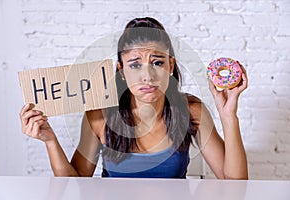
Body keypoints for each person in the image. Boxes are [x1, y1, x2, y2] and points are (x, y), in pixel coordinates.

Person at [20, 17, 248, 179]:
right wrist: (50, 140)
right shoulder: (98, 116)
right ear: (121, 70)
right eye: (135, 64)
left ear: (170, 65)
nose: (147, 76)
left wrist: (228, 115)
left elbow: (235, 183)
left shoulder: (192, 110)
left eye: (157, 62)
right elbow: (74, 182)